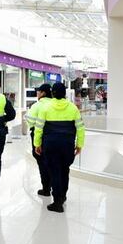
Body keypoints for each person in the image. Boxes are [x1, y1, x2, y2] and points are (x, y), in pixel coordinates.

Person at [34, 81, 84, 213]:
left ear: (53, 93)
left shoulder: (45, 108)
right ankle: (63, 196)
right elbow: (80, 129)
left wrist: (37, 144)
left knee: (54, 171)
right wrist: (79, 145)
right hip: (67, 145)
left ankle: (57, 202)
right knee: (64, 170)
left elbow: (38, 128)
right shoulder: (73, 108)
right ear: (65, 94)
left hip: (51, 145)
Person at [25, 83, 53, 196]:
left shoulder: (37, 106)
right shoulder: (54, 104)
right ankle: (53, 186)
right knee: (52, 162)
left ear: (43, 93)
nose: (37, 93)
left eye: (39, 91)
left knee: (42, 162)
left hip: (39, 136)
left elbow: (30, 121)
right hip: (52, 136)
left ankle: (46, 188)